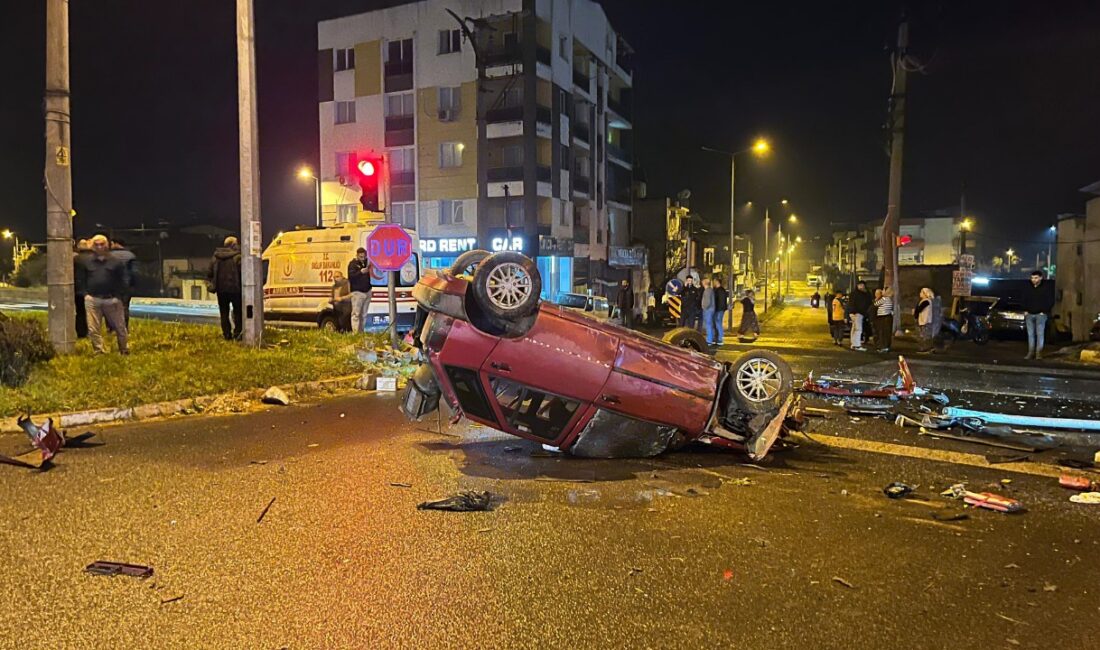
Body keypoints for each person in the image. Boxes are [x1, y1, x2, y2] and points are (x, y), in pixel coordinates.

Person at [81, 234, 129, 355]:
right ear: (92, 246)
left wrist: (119, 296)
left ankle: (124, 349)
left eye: (102, 244)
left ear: (107, 245)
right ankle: (99, 351)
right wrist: (85, 294)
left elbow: (123, 279)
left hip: (112, 299)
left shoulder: (115, 262)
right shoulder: (87, 262)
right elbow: (81, 279)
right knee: (93, 328)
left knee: (120, 327)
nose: (99, 247)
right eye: (96, 244)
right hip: (93, 299)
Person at [207, 236, 243, 340]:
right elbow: (243, 273)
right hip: (236, 290)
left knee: (224, 313)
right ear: (233, 245)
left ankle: (227, 335)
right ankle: (238, 334)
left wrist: (213, 284)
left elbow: (209, 273)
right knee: (238, 313)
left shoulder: (216, 257)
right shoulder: (237, 257)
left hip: (221, 290)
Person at [1022, 269, 1055, 359]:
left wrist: (1044, 311)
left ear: (1040, 278)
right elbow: (1024, 299)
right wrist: (1025, 310)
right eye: (1032, 278)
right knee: (1030, 334)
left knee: (1040, 334)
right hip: (1029, 314)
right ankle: (1030, 353)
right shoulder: (1028, 288)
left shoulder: (1046, 288)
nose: (1034, 280)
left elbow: (1050, 300)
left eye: (1036, 278)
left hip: (1040, 315)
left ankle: (1038, 353)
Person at [110, 239, 137, 326]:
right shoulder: (131, 255)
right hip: (126, 284)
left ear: (115, 243)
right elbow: (134, 272)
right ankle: (124, 326)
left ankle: (112, 328)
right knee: (125, 306)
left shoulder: (109, 255)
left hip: (112, 285)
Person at [347, 247, 373, 333]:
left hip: (367, 291)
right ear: (357, 255)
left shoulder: (367, 263)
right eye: (360, 255)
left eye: (364, 255)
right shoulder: (353, 264)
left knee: (364, 314)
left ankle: (361, 332)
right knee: (356, 314)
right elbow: (351, 277)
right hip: (357, 292)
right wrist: (360, 272)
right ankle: (355, 333)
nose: (362, 256)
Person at [73, 239, 93, 338]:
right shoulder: (94, 258)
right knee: (94, 313)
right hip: (92, 289)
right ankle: (93, 332)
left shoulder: (75, 259)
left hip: (78, 290)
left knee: (80, 312)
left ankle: (81, 333)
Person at [848, 280, 872, 351]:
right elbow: (862, 304)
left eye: (862, 285)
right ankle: (857, 345)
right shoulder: (859, 294)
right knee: (858, 329)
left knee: (854, 328)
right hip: (857, 313)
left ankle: (853, 344)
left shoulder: (855, 293)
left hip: (854, 313)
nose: (861, 286)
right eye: (860, 285)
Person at [874, 287, 895, 353]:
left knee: (882, 333)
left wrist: (877, 298)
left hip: (882, 317)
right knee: (887, 332)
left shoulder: (884, 298)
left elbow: (875, 304)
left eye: (883, 290)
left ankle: (883, 347)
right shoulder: (890, 299)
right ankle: (886, 346)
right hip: (888, 317)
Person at [914, 287, 934, 353]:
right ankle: (927, 348)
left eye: (921, 292)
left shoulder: (926, 301)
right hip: (923, 321)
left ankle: (926, 348)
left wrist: (915, 311)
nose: (920, 294)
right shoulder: (925, 301)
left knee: (924, 336)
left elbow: (919, 309)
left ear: (925, 294)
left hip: (925, 321)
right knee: (923, 335)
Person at [713, 276, 729, 345]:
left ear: (717, 282)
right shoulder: (719, 290)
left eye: (714, 281)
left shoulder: (720, 290)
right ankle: (717, 338)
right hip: (718, 309)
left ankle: (720, 339)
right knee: (716, 324)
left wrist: (719, 308)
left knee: (718, 324)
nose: (713, 282)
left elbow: (721, 301)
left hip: (719, 309)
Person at [701, 278, 716, 344]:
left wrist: (704, 307)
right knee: (710, 324)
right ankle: (712, 338)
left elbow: (707, 302)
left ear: (704, 283)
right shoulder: (711, 290)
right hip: (711, 309)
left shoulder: (707, 291)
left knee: (708, 325)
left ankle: (709, 340)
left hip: (708, 310)